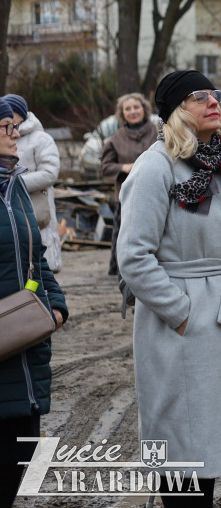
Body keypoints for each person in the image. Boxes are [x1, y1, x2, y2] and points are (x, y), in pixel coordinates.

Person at [117, 70, 221, 507]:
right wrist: (182, 312)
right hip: (182, 326)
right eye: (198, 96)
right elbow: (133, 256)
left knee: (216, 444)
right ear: (175, 111)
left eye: (215, 94)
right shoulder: (155, 166)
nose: (213, 101)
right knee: (182, 452)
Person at [0, 97, 67, 508]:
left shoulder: (15, 184)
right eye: (6, 128)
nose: (15, 135)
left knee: (22, 459)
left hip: (27, 343)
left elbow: (35, 253)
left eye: (16, 128)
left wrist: (56, 304)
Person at [101, 93, 159, 277]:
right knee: (124, 237)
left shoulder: (159, 132)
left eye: (136, 107)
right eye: (128, 108)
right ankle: (122, 273)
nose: (133, 111)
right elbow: (105, 167)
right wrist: (125, 167)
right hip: (126, 197)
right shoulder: (115, 139)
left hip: (158, 194)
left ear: (145, 109)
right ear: (122, 113)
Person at [6, 94, 62, 275]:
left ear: (21, 114)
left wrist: (13, 182)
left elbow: (50, 173)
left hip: (38, 209)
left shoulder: (41, 139)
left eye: (11, 113)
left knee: (40, 266)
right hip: (11, 209)